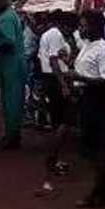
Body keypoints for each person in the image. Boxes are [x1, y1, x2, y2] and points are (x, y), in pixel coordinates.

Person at [72, 11, 105, 206]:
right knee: (90, 148)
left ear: (95, 26)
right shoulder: (87, 45)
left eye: (84, 25)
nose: (80, 29)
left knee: (99, 148)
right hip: (86, 98)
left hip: (97, 100)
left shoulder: (102, 49)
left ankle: (99, 191)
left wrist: (80, 79)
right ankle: (101, 189)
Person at [0, 0, 27, 149]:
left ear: (0, 4)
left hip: (11, 65)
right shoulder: (9, 15)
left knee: (11, 101)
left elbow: (9, 42)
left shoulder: (5, 18)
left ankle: (11, 137)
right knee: (12, 100)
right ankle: (11, 135)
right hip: (11, 64)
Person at [38, 13, 74, 171]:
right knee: (64, 120)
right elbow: (53, 61)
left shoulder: (52, 35)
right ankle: (54, 158)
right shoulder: (55, 35)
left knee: (60, 119)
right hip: (55, 79)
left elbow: (59, 57)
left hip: (54, 78)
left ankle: (55, 156)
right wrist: (63, 85)